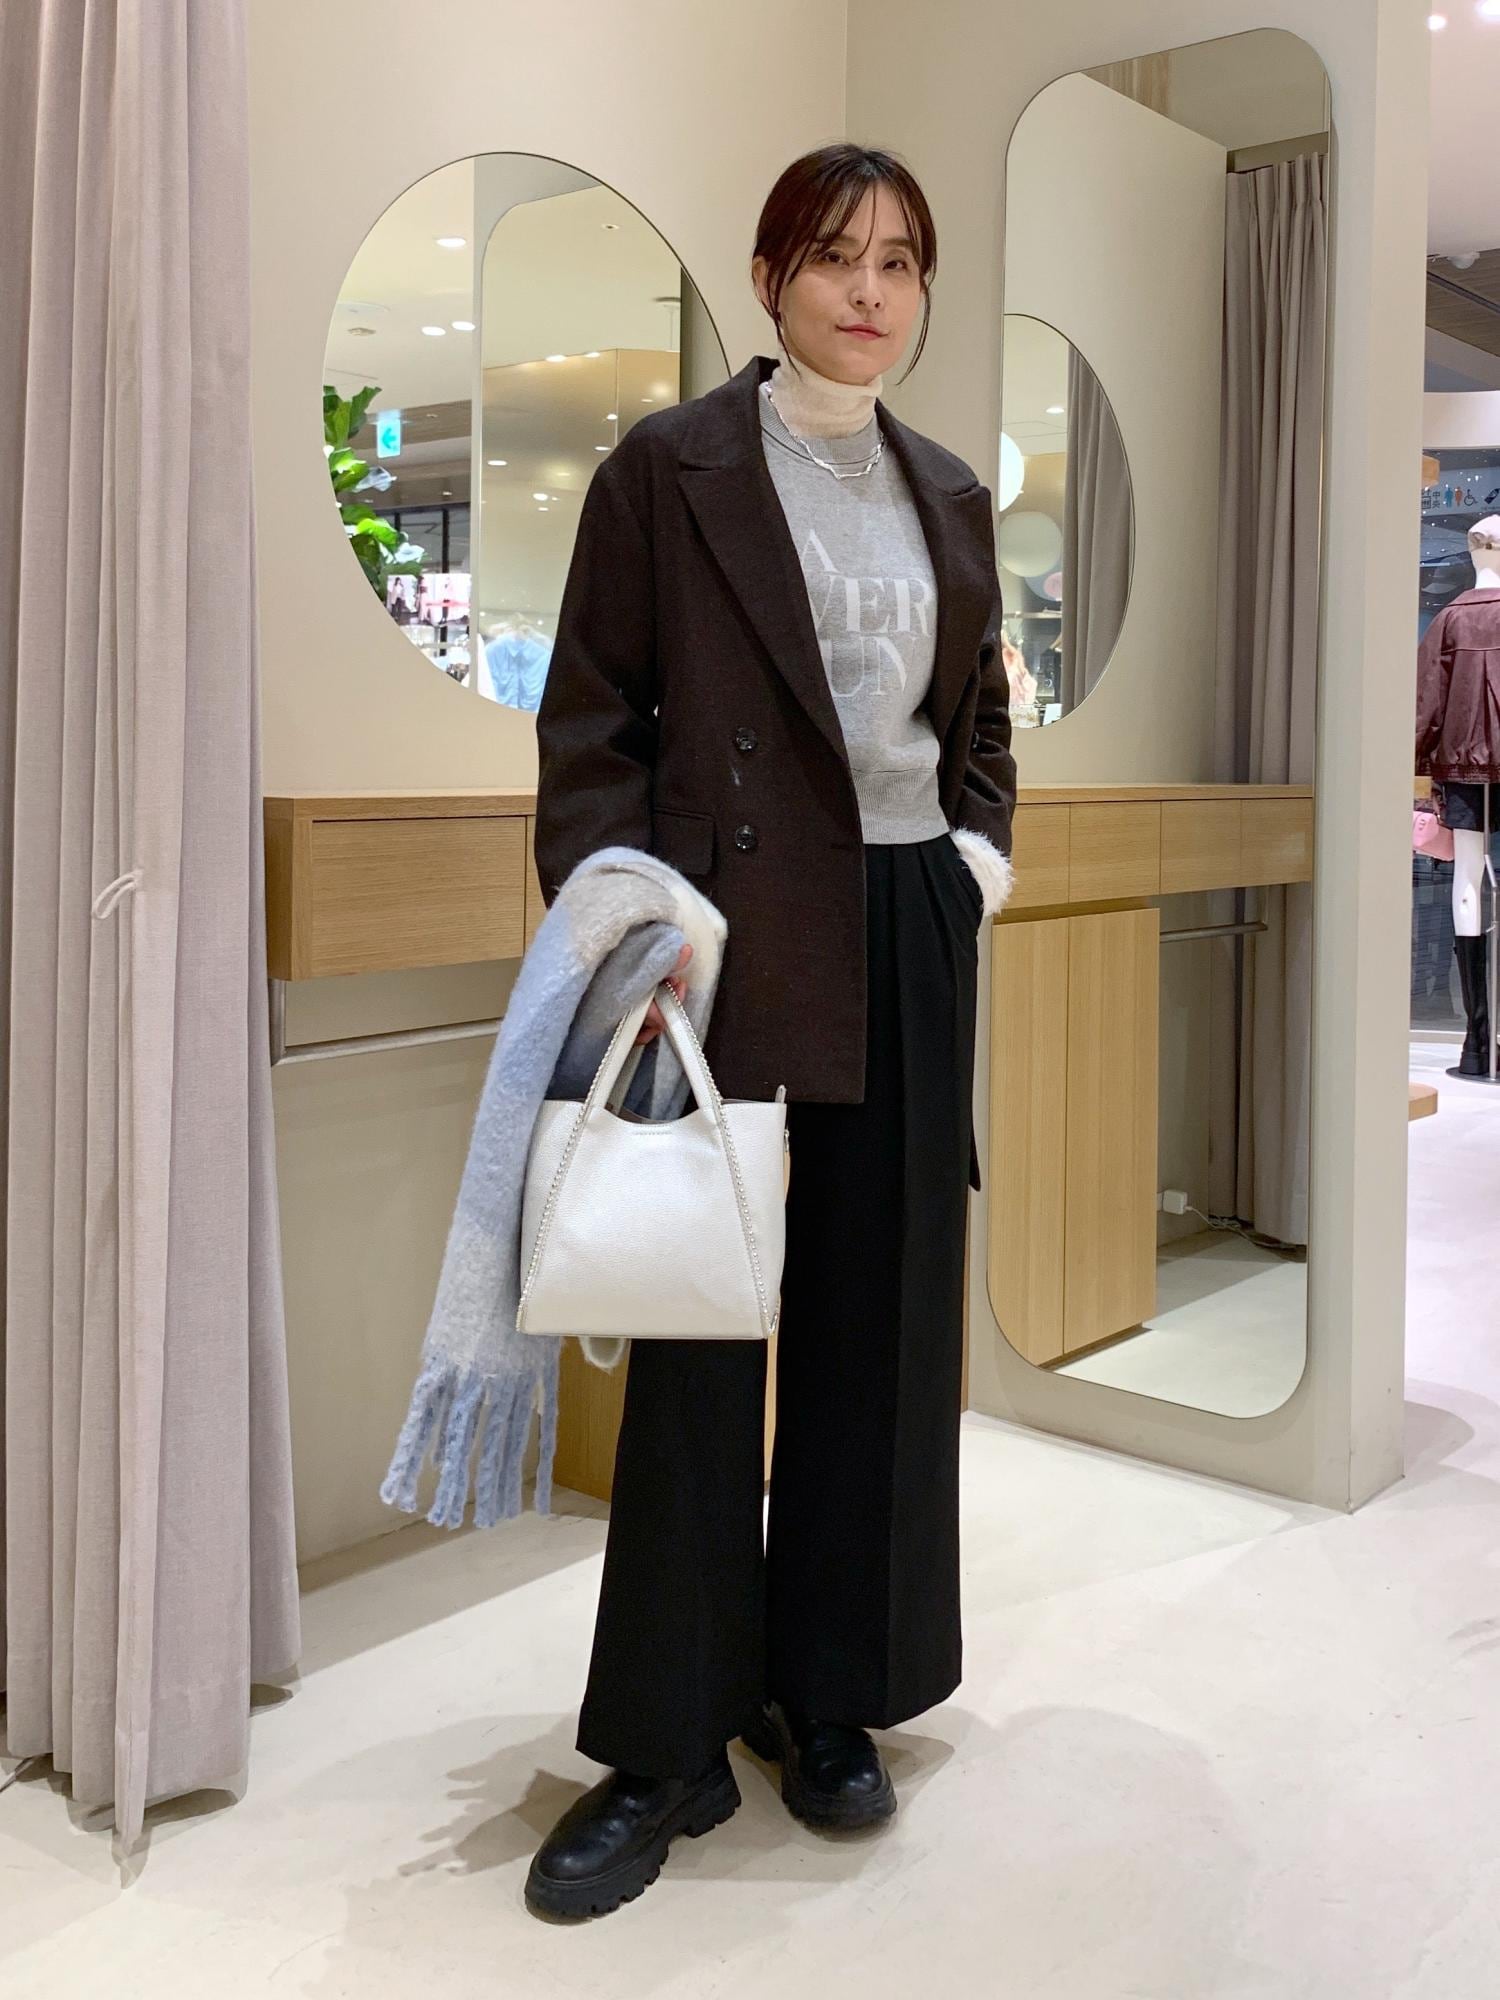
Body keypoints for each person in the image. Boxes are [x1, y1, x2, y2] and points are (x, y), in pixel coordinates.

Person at [524, 142, 1018, 1921]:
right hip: (725, 932)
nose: (871, 291)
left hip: (904, 922)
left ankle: (832, 1694)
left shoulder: (950, 491)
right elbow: (594, 726)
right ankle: (664, 1743)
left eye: (900, 261)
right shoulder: (669, 469)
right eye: (835, 256)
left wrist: (973, 860)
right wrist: (633, 934)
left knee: (882, 1320)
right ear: (770, 277)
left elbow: (977, 722)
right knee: (698, 1333)